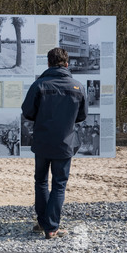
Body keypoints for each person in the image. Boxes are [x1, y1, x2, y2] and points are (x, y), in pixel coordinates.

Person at [21, 48, 88, 239]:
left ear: (48, 63)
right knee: (59, 184)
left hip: (42, 141)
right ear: (67, 64)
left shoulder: (39, 84)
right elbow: (82, 116)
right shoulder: (77, 86)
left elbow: (27, 111)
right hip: (65, 142)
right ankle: (51, 227)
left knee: (41, 181)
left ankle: (43, 223)